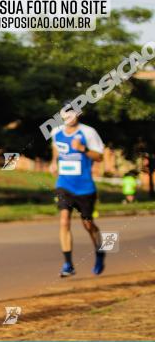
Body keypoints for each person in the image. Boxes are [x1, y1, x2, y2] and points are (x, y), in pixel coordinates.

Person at [49, 105, 106, 276]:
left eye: (73, 112)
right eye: (66, 113)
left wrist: (83, 149)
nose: (69, 116)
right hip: (64, 184)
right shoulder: (56, 132)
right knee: (64, 221)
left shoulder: (88, 132)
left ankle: (99, 251)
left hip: (84, 187)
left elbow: (100, 157)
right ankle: (68, 265)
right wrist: (53, 162)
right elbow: (56, 148)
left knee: (87, 224)